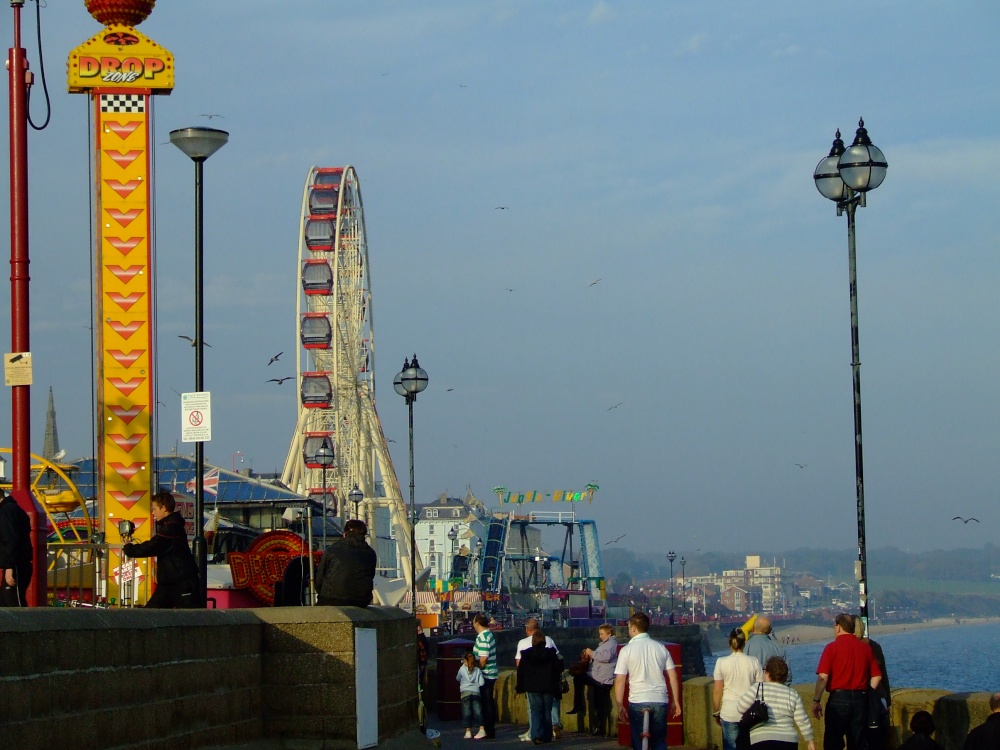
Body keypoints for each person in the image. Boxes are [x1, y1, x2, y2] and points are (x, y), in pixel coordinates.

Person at [811, 613, 882, 750]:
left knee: (833, 741)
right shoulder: (865, 648)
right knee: (857, 741)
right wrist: (867, 692)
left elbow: (823, 677)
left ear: (838, 627)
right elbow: (877, 676)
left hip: (839, 699)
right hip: (861, 699)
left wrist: (816, 700)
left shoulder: (831, 648)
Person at [614, 611, 682, 750]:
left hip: (638, 700)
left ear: (633, 628)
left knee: (638, 742)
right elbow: (673, 676)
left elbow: (620, 680)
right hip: (660, 699)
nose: (628, 630)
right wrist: (675, 701)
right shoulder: (661, 648)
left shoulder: (626, 650)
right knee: (659, 741)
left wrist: (620, 704)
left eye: (628, 627)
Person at [122, 490, 200, 608]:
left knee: (185, 617)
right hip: (170, 581)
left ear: (163, 508)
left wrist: (129, 548)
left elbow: (153, 546)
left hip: (181, 582)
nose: (153, 513)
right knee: (154, 614)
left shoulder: (170, 528)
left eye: (154, 509)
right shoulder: (173, 525)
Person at [736, 656, 815, 750]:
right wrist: (810, 741)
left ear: (768, 674)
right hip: (788, 740)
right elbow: (802, 720)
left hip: (761, 738)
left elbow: (740, 707)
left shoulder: (757, 688)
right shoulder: (792, 694)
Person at [714, 628, 764, 750]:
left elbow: (717, 690)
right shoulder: (754, 661)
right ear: (745, 643)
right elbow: (760, 688)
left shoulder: (721, 662)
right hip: (749, 713)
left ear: (729, 643)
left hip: (729, 712)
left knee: (731, 746)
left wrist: (716, 712)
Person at [516, 617, 562, 741]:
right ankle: (547, 736)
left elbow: (520, 670)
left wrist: (520, 686)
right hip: (548, 686)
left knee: (535, 711)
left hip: (532, 687)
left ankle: (536, 735)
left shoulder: (526, 654)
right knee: (547, 711)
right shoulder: (551, 653)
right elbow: (559, 667)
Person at [315, 518, 377, 606]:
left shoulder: (332, 549)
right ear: (363, 535)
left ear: (345, 534)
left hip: (332, 599)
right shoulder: (370, 553)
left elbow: (319, 577)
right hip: (362, 600)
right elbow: (370, 575)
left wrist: (322, 594)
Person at [853, 616, 890, 750]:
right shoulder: (873, 646)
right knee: (877, 739)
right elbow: (883, 675)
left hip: (865, 697)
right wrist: (888, 700)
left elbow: (881, 674)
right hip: (878, 696)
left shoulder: (863, 647)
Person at [582, 623, 619, 737]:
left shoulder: (612, 644)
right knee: (599, 702)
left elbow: (605, 657)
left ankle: (599, 728)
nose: (600, 636)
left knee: (599, 703)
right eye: (600, 634)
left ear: (609, 633)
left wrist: (591, 653)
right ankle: (599, 727)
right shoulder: (607, 643)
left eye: (602, 634)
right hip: (600, 676)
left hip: (603, 678)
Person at [0, 488, 33, 607]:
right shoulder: (14, 509)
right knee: (5, 603)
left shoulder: (5, 511)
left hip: (16, 565)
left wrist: (9, 567)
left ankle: (25, 625)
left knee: (14, 603)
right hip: (18, 564)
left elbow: (10, 538)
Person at [473, 613, 499, 739]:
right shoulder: (489, 634)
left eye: (474, 622)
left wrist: (476, 669)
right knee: (488, 701)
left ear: (477, 623)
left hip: (486, 674)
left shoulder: (483, 637)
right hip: (491, 673)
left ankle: (487, 729)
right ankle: (489, 729)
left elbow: (483, 658)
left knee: (486, 702)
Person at [746, 617, 790, 684]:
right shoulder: (778, 648)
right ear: (769, 630)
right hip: (776, 690)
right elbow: (787, 675)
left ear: (753, 629)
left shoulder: (746, 646)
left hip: (753, 690)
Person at [457, 651, 487, 740]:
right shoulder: (477, 670)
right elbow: (482, 683)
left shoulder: (462, 669)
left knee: (467, 713)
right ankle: (482, 729)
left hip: (465, 693)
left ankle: (468, 732)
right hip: (476, 693)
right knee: (478, 711)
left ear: (465, 661)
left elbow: (457, 678)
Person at [416, 623, 430, 691]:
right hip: (423, 661)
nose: (417, 632)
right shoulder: (423, 638)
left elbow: (422, 651)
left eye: (418, 630)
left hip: (421, 661)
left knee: (420, 677)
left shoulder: (420, 639)